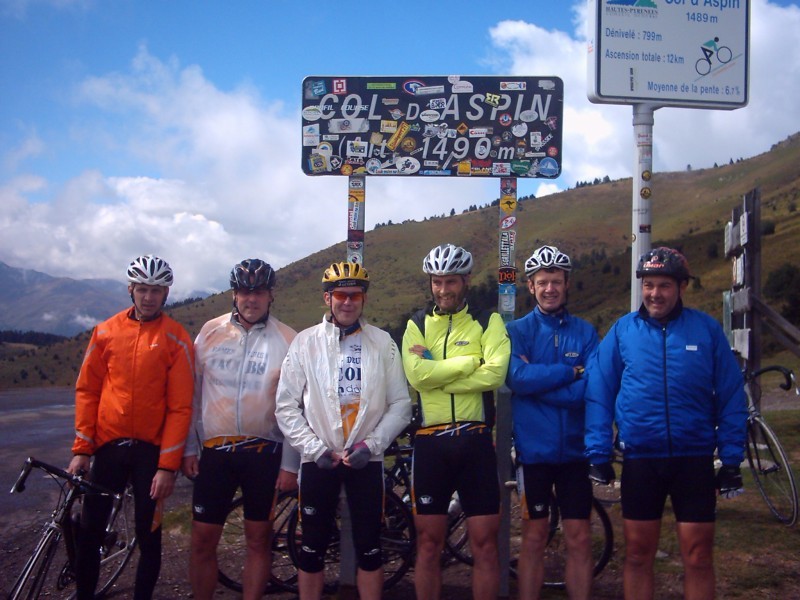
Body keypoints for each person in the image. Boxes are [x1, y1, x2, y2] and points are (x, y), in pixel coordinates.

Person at [584, 247, 747, 600]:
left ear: (682, 287)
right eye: (648, 285)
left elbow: (732, 395)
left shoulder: (706, 330)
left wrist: (732, 459)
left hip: (694, 459)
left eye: (664, 286)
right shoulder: (624, 330)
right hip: (642, 460)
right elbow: (599, 390)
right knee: (639, 555)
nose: (655, 293)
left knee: (699, 556)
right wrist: (598, 451)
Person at [276, 261, 412, 600]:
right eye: (340, 295)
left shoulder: (383, 343)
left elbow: (400, 405)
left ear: (364, 299)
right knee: (311, 548)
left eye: (355, 295)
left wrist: (372, 444)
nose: (348, 302)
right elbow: (285, 405)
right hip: (318, 459)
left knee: (370, 548)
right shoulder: (305, 343)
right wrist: (313, 448)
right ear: (327, 298)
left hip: (366, 459)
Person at [68, 254, 193, 600]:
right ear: (131, 289)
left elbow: (181, 407)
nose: (149, 297)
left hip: (150, 454)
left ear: (166, 293)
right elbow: (88, 391)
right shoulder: (105, 332)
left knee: (149, 536)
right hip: (108, 448)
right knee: (91, 532)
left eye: (156, 290)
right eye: (142, 289)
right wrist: (81, 449)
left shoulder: (176, 338)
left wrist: (168, 466)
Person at [182, 258, 299, 600]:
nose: (252, 299)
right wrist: (189, 447)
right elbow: (192, 392)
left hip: (264, 453)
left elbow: (293, 407)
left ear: (270, 295)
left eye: (259, 291)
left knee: (258, 540)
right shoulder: (210, 332)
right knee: (202, 539)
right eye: (245, 291)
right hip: (215, 453)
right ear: (234, 294)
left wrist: (290, 464)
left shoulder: (288, 339)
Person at [401, 243, 510, 600]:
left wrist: (440, 375)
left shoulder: (487, 321)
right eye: (437, 282)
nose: (444, 290)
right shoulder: (417, 324)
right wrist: (467, 363)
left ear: (465, 281)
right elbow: (416, 376)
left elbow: (494, 376)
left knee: (485, 545)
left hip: (475, 440)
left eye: (451, 281)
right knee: (429, 544)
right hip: (431, 443)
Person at [505, 246, 599, 600]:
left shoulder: (585, 332)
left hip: (576, 454)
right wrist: (568, 373)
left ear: (566, 283)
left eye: (556, 282)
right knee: (533, 538)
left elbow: (588, 390)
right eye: (542, 282)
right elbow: (518, 379)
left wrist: (538, 385)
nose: (550, 289)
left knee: (579, 538)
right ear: (530, 286)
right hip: (534, 456)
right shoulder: (517, 330)